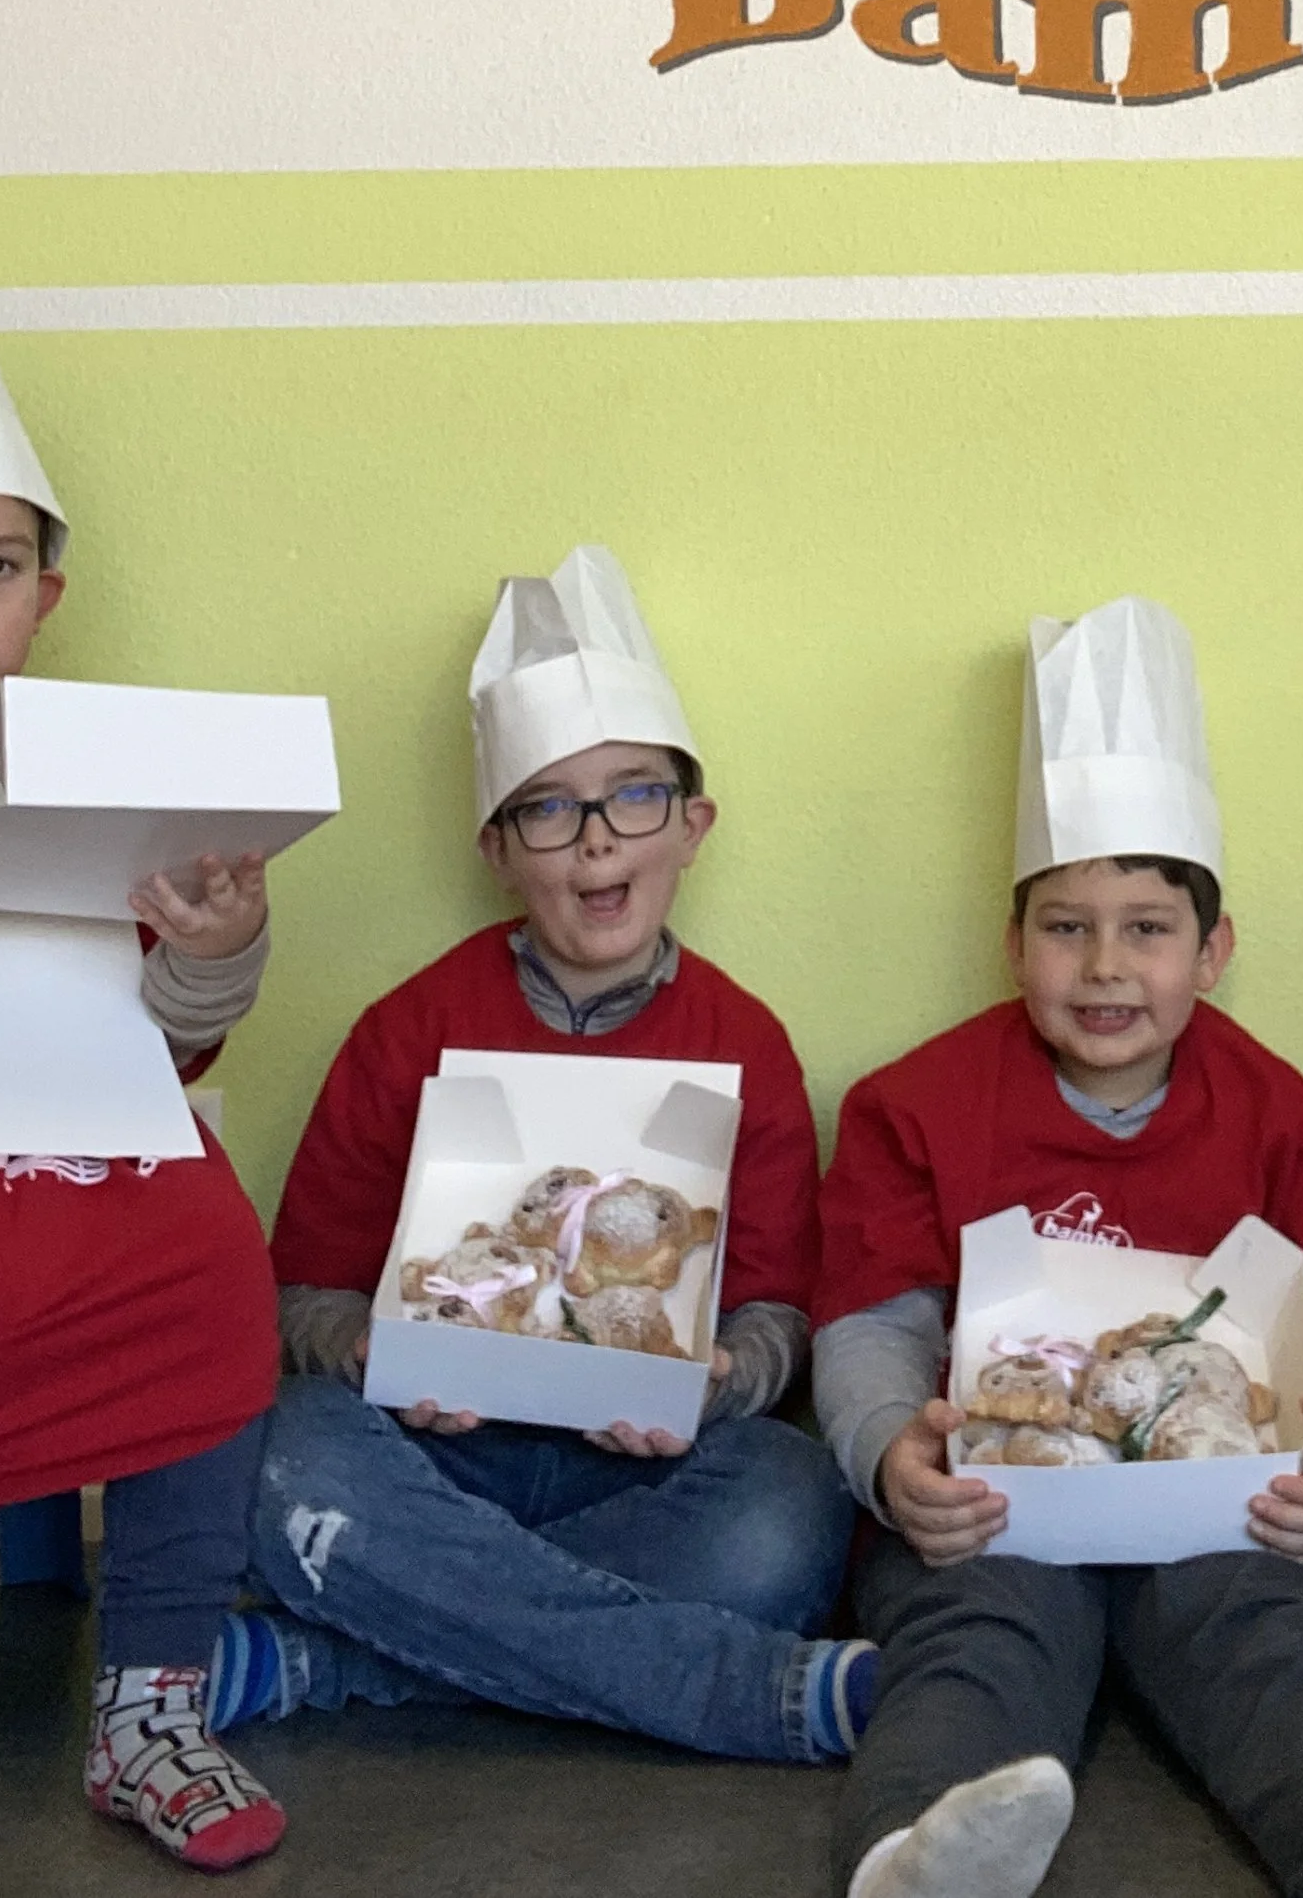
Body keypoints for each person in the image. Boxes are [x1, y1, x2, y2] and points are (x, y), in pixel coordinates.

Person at [812, 593, 1303, 1898]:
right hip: (995, 1505)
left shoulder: (1284, 1120)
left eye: (1149, 927)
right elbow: (871, 1320)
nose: (1106, 965)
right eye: (1066, 924)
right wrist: (895, 1455)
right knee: (976, 1639)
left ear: (1213, 951)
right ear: (1013, 943)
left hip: (1211, 1516)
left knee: (1281, 1641)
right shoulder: (914, 1102)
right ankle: (913, 1858)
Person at [233, 544, 862, 1763]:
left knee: (792, 1505)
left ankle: (346, 1659)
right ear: (498, 847)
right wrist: (367, 1348)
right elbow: (295, 1296)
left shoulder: (747, 1042)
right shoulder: (407, 1027)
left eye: (633, 797)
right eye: (549, 808)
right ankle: (737, 1692)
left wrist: (712, 1381)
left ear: (693, 824)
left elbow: (782, 1315)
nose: (593, 844)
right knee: (276, 1448)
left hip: (634, 1481)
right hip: (432, 1458)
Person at [0, 270, 288, 1874]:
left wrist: (216, 936)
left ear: (45, 599)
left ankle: (151, 1707)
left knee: (214, 1280)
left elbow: (182, 1030)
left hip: (115, 1182)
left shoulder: (110, 762)